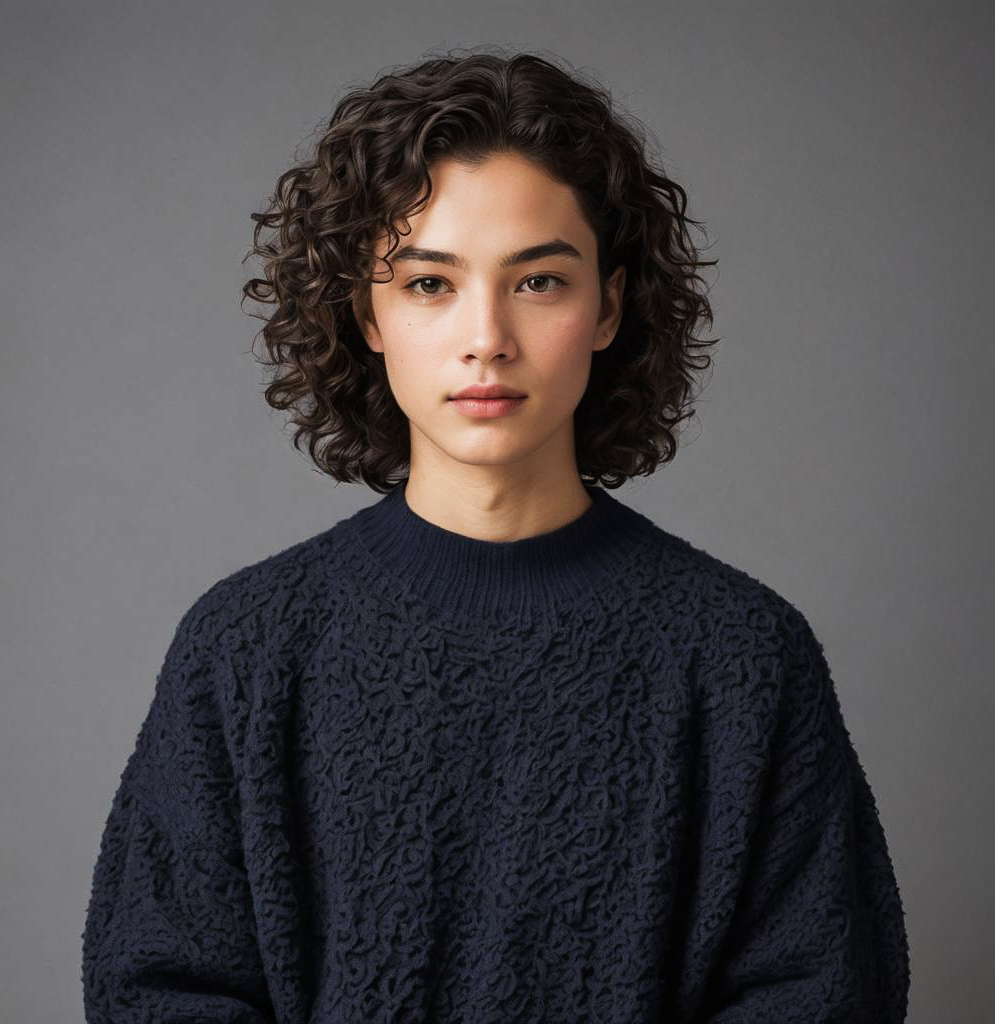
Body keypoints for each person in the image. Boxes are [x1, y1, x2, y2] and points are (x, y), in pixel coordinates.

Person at [81, 49, 910, 1023]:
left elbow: (821, 991)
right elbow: (156, 985)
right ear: (367, 312)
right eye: (430, 283)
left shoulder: (741, 658)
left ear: (607, 306)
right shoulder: (247, 648)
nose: (486, 337)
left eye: (538, 281)